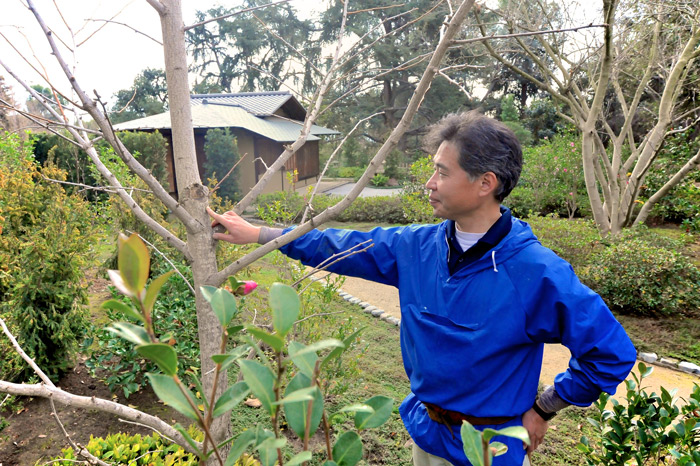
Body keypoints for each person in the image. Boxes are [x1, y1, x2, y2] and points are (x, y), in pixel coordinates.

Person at [207, 111, 636, 466]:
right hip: (426, 435)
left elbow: (610, 353)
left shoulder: (536, 272)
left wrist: (544, 407)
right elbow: (338, 245)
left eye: (441, 172)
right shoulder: (416, 246)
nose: (429, 183)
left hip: (492, 449)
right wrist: (260, 234)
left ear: (485, 183)